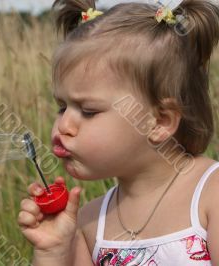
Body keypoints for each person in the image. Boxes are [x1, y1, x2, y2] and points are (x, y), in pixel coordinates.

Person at [17, 0, 219, 265]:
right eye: (62, 107)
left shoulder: (210, 196)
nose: (63, 126)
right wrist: (53, 251)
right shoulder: (88, 224)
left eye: (88, 111)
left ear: (159, 121)